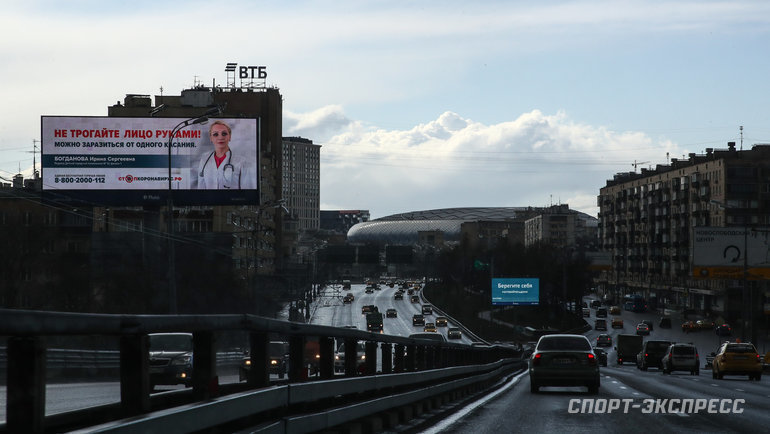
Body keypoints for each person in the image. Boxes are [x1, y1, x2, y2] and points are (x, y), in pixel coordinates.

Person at [197, 120, 253, 189]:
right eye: (215, 134)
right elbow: (200, 190)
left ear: (230, 137)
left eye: (224, 134)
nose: (220, 137)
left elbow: (247, 192)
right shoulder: (204, 160)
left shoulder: (241, 162)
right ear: (211, 138)